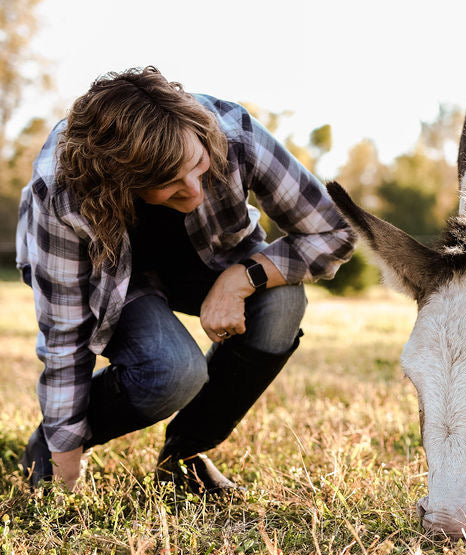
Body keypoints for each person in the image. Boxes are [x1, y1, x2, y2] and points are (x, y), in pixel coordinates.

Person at [16, 66, 354, 494]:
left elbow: (336, 230)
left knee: (282, 302)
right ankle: (46, 446)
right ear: (121, 183)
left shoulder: (234, 133)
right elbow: (65, 339)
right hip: (113, 279)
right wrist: (62, 461)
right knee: (173, 372)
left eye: (197, 165)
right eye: (168, 186)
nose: (194, 191)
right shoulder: (62, 190)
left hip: (212, 258)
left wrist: (241, 277)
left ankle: (184, 456)